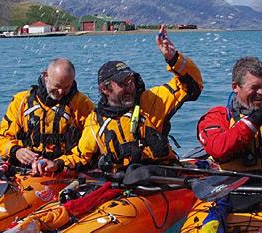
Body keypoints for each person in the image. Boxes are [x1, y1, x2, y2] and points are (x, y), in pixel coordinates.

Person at [36, 26, 203, 174]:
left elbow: (192, 87)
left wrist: (173, 58)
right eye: (123, 83)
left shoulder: (153, 100)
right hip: (126, 183)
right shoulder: (95, 121)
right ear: (105, 89)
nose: (130, 87)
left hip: (163, 177)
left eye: (131, 81)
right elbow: (81, 156)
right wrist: (57, 164)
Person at [0, 58, 95, 174]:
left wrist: (59, 164)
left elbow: (88, 150)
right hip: (26, 170)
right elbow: (2, 139)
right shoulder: (21, 101)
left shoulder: (84, 105)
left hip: (64, 170)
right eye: (57, 86)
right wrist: (16, 151)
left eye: (66, 87)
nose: (61, 92)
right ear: (45, 76)